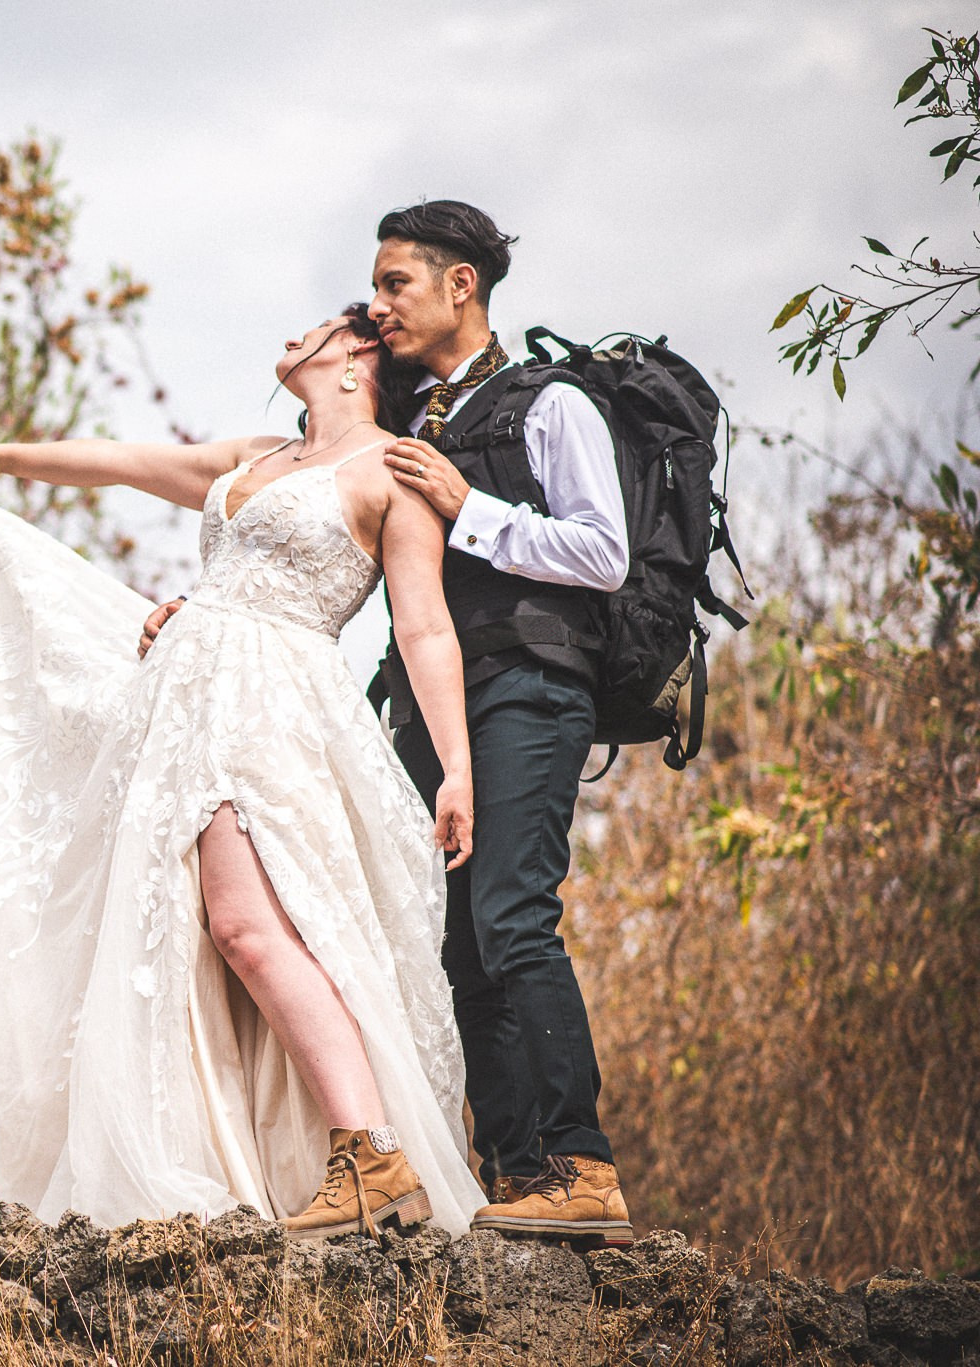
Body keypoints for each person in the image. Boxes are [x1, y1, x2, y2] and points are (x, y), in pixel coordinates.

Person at [0, 304, 488, 1238]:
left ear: (356, 354)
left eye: (313, 326)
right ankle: (300, 1152)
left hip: (274, 705)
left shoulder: (388, 473)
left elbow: (424, 626)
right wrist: (4, 454)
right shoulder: (256, 455)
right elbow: (121, 459)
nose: (288, 335)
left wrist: (455, 768)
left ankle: (372, 1151)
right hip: (186, 703)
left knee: (246, 925)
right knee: (183, 937)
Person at [371, 200, 633, 1244]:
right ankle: (515, 1176)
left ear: (458, 286)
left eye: (395, 282)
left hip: (528, 685)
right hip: (429, 711)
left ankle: (582, 1162)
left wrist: (465, 505)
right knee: (455, 945)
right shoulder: (413, 420)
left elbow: (602, 553)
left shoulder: (549, 402)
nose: (380, 303)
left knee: (512, 913)